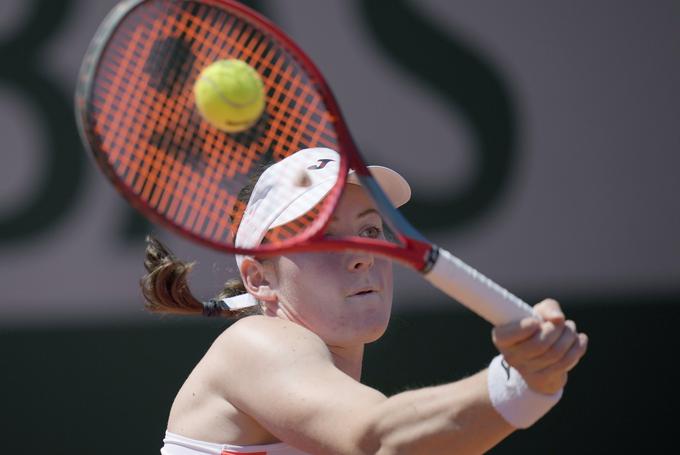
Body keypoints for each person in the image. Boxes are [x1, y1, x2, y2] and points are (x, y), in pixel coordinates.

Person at [146, 147, 588, 455]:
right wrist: (518, 382)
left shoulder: (332, 392)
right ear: (260, 279)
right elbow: (379, 442)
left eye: (371, 230)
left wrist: (532, 384)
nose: (361, 255)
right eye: (322, 239)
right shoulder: (256, 344)